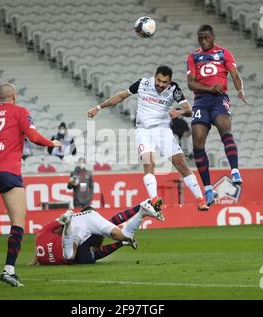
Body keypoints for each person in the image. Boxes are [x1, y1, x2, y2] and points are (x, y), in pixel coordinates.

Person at [0, 82, 61, 287]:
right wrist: (52, 143)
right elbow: (33, 137)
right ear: (13, 97)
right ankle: (8, 270)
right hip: (9, 174)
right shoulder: (20, 112)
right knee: (17, 222)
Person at [88, 65, 208, 211]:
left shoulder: (174, 90)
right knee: (149, 163)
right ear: (154, 77)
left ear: (169, 81)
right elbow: (120, 96)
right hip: (143, 132)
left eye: (165, 82)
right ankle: (155, 199)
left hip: (163, 131)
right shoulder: (143, 83)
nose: (161, 84)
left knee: (181, 163)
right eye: (159, 80)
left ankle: (200, 199)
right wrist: (98, 108)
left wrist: (180, 112)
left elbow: (190, 110)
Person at [186, 24, 247, 207]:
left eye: (206, 37)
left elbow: (235, 75)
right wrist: (209, 88)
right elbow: (190, 83)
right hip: (201, 101)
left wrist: (240, 90)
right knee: (197, 143)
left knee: (225, 129)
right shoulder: (193, 57)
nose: (203, 41)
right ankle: (208, 189)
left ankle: (235, 170)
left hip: (219, 99)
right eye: (200, 38)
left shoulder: (224, 53)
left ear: (213, 36)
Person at [29, 199, 164, 266]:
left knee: (72, 256)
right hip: (81, 223)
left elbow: (98, 252)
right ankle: (142, 209)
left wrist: (33, 263)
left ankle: (141, 210)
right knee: (124, 235)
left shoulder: (46, 236)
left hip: (76, 229)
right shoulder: (43, 235)